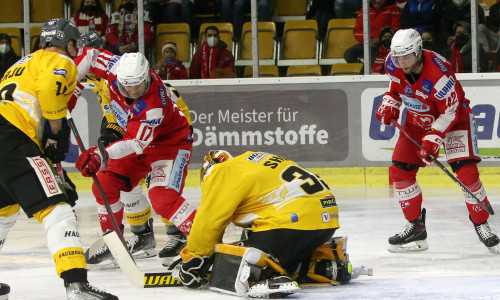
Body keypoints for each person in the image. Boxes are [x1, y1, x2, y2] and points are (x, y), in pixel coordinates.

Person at [0, 18, 118, 299]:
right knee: (59, 211)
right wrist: (57, 132)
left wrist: (50, 153)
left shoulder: (19, 65)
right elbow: (53, 96)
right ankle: (77, 286)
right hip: (12, 141)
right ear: (69, 43)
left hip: (8, 140)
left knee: (4, 212)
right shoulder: (61, 61)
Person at [376, 28, 499, 254]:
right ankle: (415, 226)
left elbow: (450, 112)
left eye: (407, 56)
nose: (402, 62)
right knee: (400, 171)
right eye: (398, 57)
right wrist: (389, 103)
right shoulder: (392, 63)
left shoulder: (439, 74)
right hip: (416, 122)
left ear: (419, 52)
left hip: (455, 122)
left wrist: (433, 138)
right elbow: (396, 88)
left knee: (467, 174)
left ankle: (482, 224)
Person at [172, 150, 356, 298]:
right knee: (268, 244)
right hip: (325, 220)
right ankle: (325, 266)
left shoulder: (222, 171)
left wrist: (195, 259)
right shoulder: (249, 162)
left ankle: (271, 276)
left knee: (238, 260)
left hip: (290, 221)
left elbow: (209, 220)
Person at [74, 50, 195, 267]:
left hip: (169, 146)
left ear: (147, 77)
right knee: (104, 182)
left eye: (138, 85)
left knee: (163, 198)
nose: (132, 90)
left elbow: (134, 143)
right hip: (139, 142)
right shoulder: (114, 68)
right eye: (127, 85)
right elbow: (90, 55)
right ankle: (114, 241)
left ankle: (202, 240)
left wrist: (101, 155)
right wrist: (68, 84)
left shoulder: (153, 105)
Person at [344, 0, 402, 64]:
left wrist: (380, 39)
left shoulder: (394, 9)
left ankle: (369, 69)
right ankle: (363, 68)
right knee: (348, 54)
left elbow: (396, 29)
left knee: (373, 56)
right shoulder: (365, 9)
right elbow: (357, 30)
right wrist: (366, 40)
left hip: (383, 44)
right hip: (366, 42)